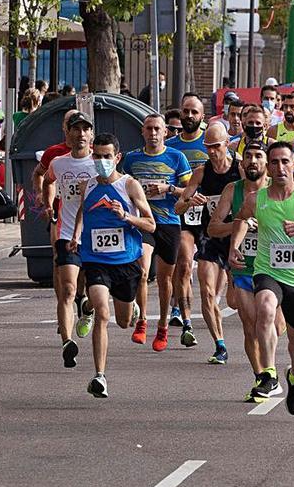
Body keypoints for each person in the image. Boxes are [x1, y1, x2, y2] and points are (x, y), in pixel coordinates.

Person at [228, 142, 294, 414]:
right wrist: (235, 246)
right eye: (274, 162)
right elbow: (241, 219)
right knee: (264, 307)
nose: (279, 167)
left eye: (285, 161)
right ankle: (268, 374)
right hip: (268, 271)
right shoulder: (256, 199)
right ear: (268, 166)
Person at [70, 133, 154, 397]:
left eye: (107, 156)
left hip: (125, 262)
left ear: (117, 158)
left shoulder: (130, 186)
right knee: (102, 315)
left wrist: (126, 215)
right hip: (95, 260)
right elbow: (83, 211)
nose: (101, 161)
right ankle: (99, 376)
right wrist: (76, 234)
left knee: (123, 321)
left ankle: (118, 306)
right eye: (97, 156)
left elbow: (151, 224)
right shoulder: (88, 185)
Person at [120, 113, 192, 349]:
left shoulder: (176, 157)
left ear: (165, 132)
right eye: (148, 129)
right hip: (143, 222)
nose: (152, 133)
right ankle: (141, 321)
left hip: (169, 222)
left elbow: (188, 191)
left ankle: (162, 326)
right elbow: (123, 186)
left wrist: (167, 187)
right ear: (142, 132)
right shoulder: (132, 159)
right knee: (142, 269)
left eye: (157, 129)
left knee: (164, 280)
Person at [207, 142, 270, 400]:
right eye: (249, 157)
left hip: (274, 268)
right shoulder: (232, 190)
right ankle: (261, 377)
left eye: (259, 156)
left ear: (266, 163)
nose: (253, 161)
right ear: (241, 164)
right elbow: (212, 228)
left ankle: (270, 369)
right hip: (243, 266)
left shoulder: (278, 191)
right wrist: (239, 226)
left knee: (273, 326)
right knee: (250, 325)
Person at [178, 122, 239, 363]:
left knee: (234, 301)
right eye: (208, 147)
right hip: (210, 236)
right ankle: (220, 344)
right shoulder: (202, 172)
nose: (212, 152)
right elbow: (178, 205)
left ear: (226, 144)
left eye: (216, 146)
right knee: (206, 291)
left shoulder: (241, 167)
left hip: (237, 236)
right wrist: (190, 201)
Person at [41, 112, 97, 367]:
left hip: (94, 233)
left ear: (91, 135)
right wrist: (48, 203)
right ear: (68, 134)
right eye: (76, 129)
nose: (81, 134)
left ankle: (86, 308)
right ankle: (67, 341)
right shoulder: (59, 163)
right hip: (66, 232)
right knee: (68, 289)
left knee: (88, 289)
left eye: (86, 129)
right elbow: (47, 180)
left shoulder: (100, 162)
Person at [164, 93, 210, 340]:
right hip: (182, 212)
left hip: (211, 214)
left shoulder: (209, 144)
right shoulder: (171, 147)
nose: (189, 116)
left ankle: (205, 304)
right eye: (186, 111)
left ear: (202, 117)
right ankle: (185, 318)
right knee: (182, 264)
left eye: (194, 112)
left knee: (207, 275)